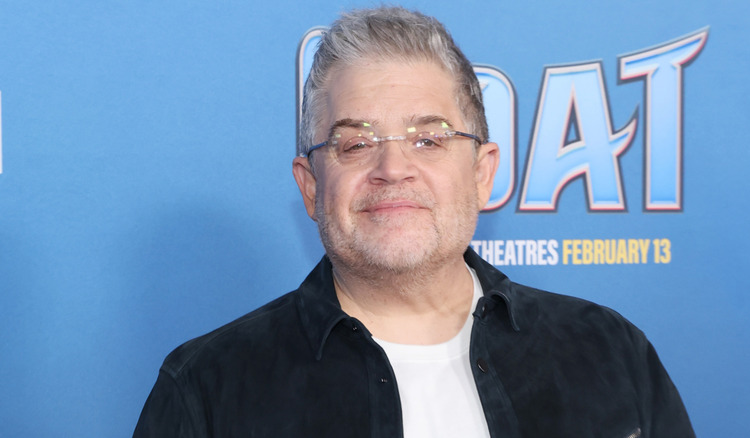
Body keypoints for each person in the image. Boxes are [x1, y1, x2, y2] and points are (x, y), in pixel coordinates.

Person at [134, 6, 695, 438]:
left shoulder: (609, 352)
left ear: (482, 173)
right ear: (311, 186)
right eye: (356, 144)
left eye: (428, 139)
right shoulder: (206, 390)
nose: (392, 168)